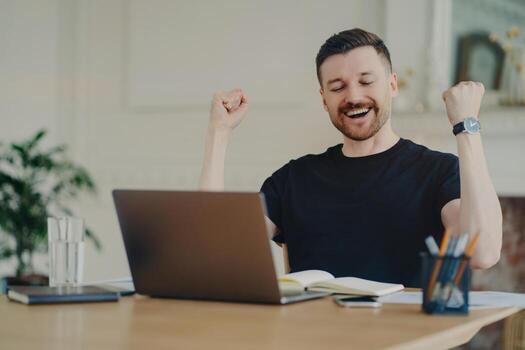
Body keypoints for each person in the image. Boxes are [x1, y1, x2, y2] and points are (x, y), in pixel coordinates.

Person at [199, 28, 502, 286]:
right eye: (337, 87)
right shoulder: (293, 179)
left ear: (392, 84)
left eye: (366, 81)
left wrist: (466, 127)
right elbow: (212, 249)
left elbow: (484, 253)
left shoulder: (439, 171)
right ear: (324, 99)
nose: (353, 96)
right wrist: (219, 132)